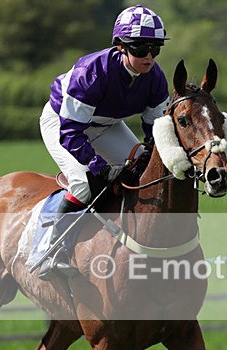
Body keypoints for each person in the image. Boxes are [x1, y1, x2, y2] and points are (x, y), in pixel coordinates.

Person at [38, 4, 170, 279]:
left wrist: (149, 154)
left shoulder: (155, 78)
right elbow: (71, 132)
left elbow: (156, 131)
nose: (149, 57)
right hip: (63, 123)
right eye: (140, 48)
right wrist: (96, 164)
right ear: (121, 46)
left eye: (155, 49)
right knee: (84, 183)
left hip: (108, 125)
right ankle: (51, 251)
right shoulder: (92, 72)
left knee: (142, 173)